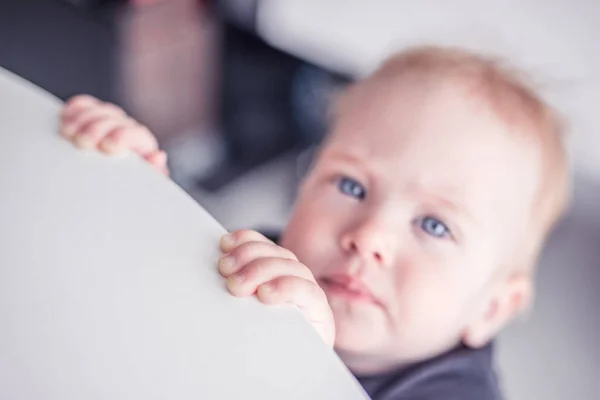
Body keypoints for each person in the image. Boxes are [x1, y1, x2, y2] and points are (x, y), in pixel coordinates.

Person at [59, 45, 570, 399]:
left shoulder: (457, 394)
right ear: (303, 186)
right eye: (351, 186)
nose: (369, 236)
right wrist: (135, 192)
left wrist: (303, 364)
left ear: (492, 308)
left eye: (434, 226)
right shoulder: (268, 260)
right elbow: (142, 314)